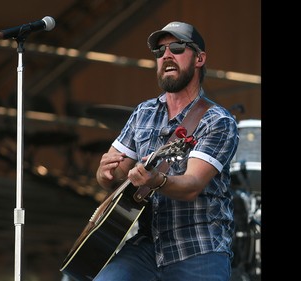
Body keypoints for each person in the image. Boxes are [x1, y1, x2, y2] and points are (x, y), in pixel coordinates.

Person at [94, 21, 239, 281]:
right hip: (147, 245)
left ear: (199, 58)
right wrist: (105, 174)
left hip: (199, 247)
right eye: (160, 51)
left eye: (177, 47)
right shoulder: (143, 112)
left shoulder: (217, 120)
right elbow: (115, 173)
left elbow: (192, 184)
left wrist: (156, 180)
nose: (166, 55)